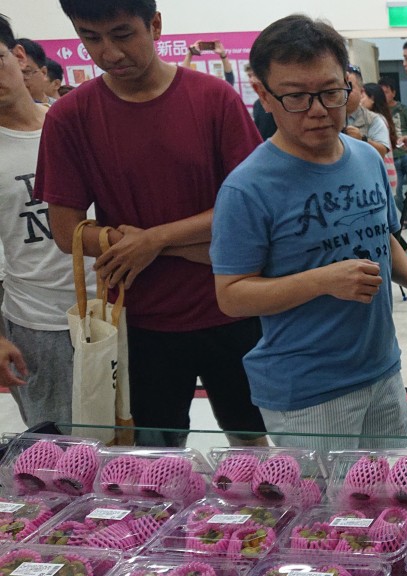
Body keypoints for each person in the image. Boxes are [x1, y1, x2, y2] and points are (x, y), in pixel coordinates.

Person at [35, 0, 268, 447]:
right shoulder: (69, 117)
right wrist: (164, 243)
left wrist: (154, 240)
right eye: (91, 38)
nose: (109, 53)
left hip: (232, 306)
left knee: (254, 446)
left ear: (155, 25)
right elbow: (65, 230)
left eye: (123, 35)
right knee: (152, 460)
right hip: (138, 323)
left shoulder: (214, 99)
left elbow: (251, 212)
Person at [211, 14, 407, 454]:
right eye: (297, 98)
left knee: (395, 503)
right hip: (308, 390)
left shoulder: (365, 158)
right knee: (327, 519)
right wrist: (324, 281)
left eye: (329, 92)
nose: (319, 110)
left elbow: (386, 238)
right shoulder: (248, 187)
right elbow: (231, 294)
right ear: (265, 96)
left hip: (382, 369)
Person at [0, 14, 89, 426]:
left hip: (116, 305)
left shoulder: (76, 121)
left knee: (137, 444)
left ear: (18, 55)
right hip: (38, 322)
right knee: (55, 452)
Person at [379, 77, 407, 210]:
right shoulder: (379, 113)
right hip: (392, 158)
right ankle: (406, 218)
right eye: (381, 93)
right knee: (396, 194)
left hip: (406, 154)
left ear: (393, 93)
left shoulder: (402, 109)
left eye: (386, 92)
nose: (384, 96)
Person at [362, 82, 400, 194]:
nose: (360, 100)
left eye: (362, 96)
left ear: (372, 99)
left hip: (384, 176)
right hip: (386, 175)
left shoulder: (376, 120)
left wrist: (361, 138)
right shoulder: (381, 118)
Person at [243, 63, 276, 140]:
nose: (251, 79)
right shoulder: (257, 104)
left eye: (254, 75)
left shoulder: (277, 100)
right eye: (249, 76)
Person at [15, 38, 53, 105]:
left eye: (25, 72)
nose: (19, 78)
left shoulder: (62, 109)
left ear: (43, 72)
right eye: (14, 73)